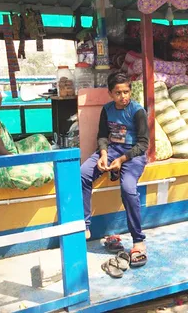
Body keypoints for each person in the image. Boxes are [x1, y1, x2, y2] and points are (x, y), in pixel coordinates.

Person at [81, 72, 148, 267]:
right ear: (110, 93)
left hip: (133, 155)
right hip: (111, 150)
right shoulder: (107, 109)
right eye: (118, 93)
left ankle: (138, 239)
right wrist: (103, 154)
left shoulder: (137, 111)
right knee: (83, 174)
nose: (123, 96)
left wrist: (122, 159)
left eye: (126, 92)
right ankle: (85, 224)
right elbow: (102, 135)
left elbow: (143, 144)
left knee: (128, 189)